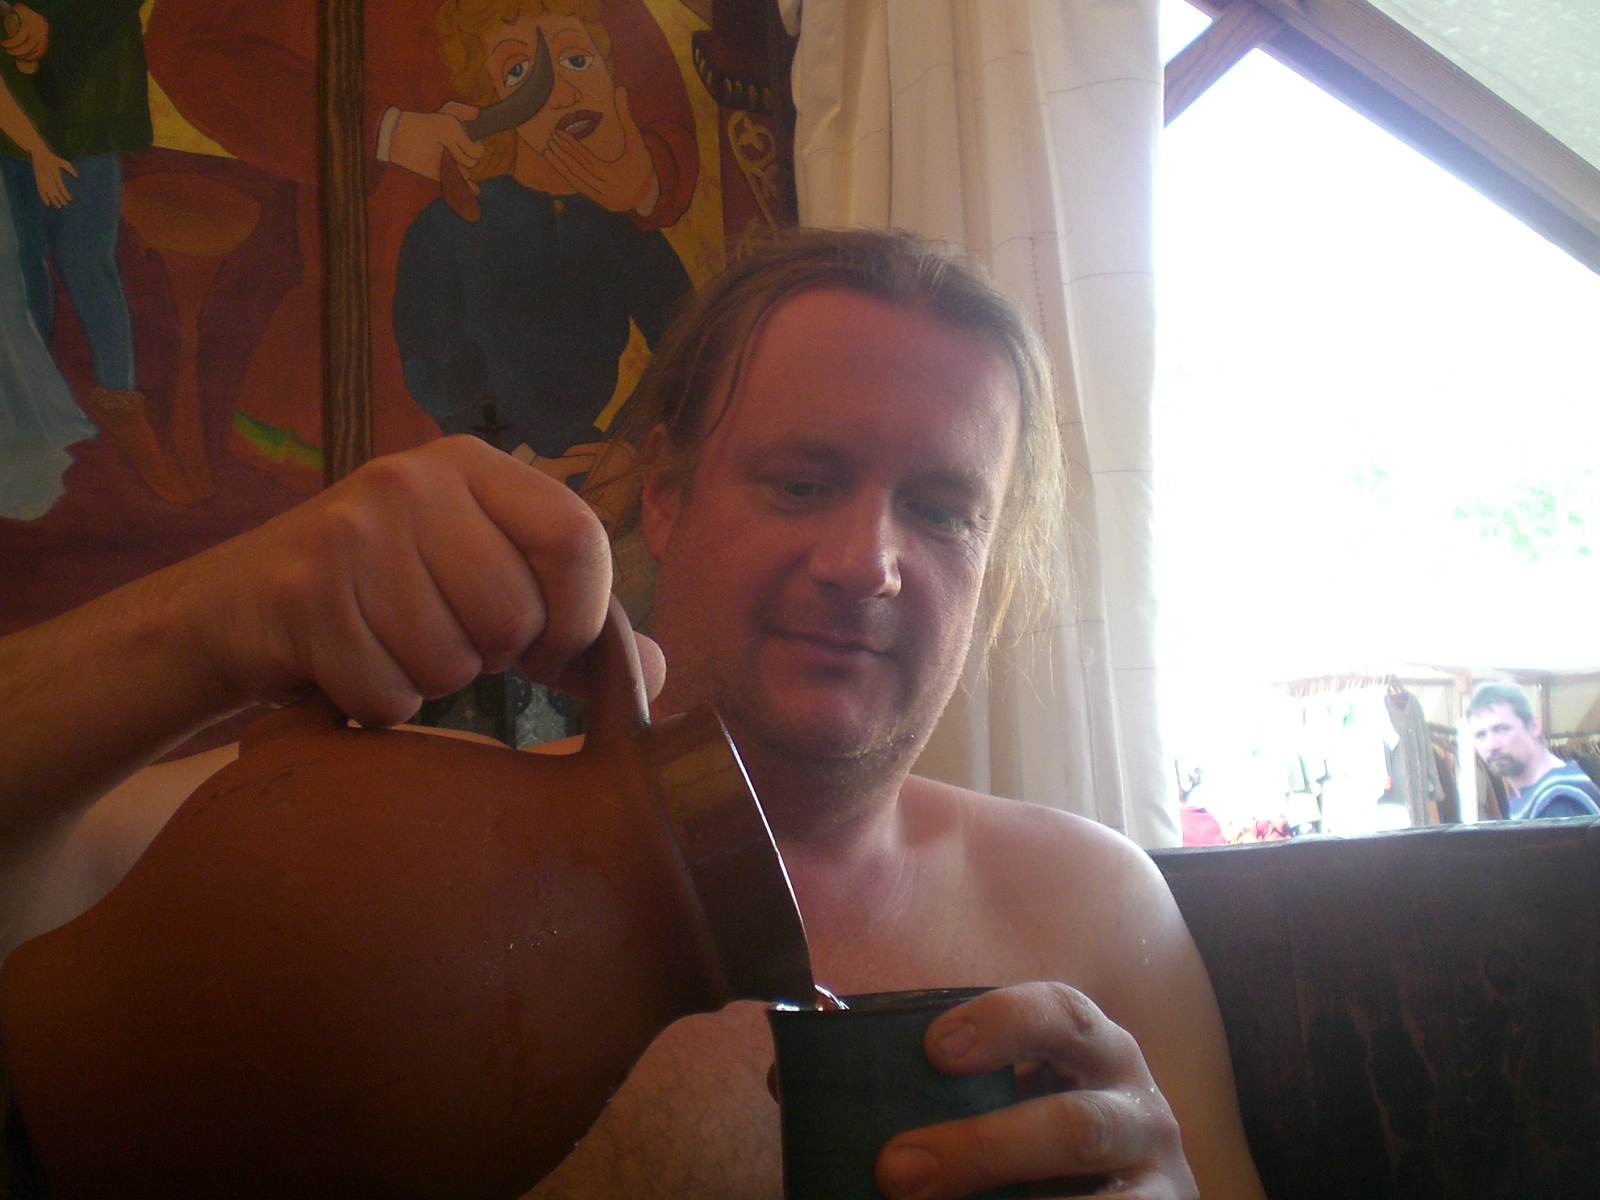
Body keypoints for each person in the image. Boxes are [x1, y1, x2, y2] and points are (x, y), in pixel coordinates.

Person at [0, 229, 1265, 1199]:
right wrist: (206, 624)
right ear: (662, 491)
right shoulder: (377, 858)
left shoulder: (1096, 908)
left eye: (941, 511)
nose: (865, 564)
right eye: (801, 481)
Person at [1467, 681, 1600, 821]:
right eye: (1480, 735)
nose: (1491, 745)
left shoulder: (1558, 803)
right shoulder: (1528, 794)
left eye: (1501, 729)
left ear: (1534, 727)